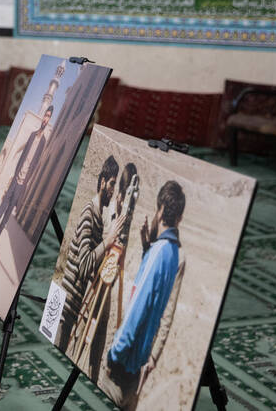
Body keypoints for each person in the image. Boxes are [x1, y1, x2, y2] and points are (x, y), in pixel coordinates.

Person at [106, 180, 187, 406]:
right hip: (137, 366)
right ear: (179, 218)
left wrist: (114, 354)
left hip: (122, 367)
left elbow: (137, 311)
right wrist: (146, 249)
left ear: (160, 211)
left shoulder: (159, 253)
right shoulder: (173, 253)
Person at [68, 163, 139, 377]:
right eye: (124, 196)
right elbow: (95, 251)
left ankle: (92, 375)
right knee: (84, 333)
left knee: (99, 338)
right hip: (93, 284)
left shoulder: (124, 216)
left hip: (107, 285)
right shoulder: (105, 212)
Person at [0, 105, 53, 280]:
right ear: (42, 116)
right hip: (13, 185)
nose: (45, 119)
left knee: (0, 230)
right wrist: (13, 178)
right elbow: (21, 158)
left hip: (20, 189)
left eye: (49, 117)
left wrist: (24, 185)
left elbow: (34, 166)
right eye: (45, 115)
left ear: (49, 120)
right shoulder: (31, 135)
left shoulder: (44, 142)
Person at [56, 155, 119, 351]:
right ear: (102, 181)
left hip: (70, 310)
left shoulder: (98, 217)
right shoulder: (89, 214)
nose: (112, 190)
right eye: (112, 184)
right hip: (64, 310)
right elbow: (84, 266)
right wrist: (107, 242)